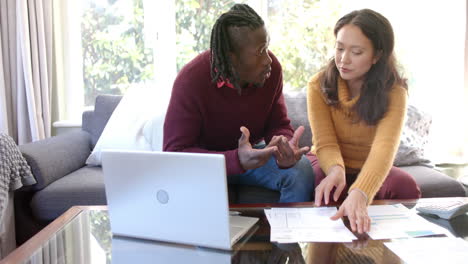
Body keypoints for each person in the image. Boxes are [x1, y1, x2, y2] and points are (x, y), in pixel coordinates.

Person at [163, 4, 315, 203]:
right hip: (205, 163)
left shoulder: (271, 70)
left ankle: (288, 234)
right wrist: (235, 160)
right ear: (231, 58)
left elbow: (277, 123)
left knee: (301, 170)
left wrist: (283, 146)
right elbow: (175, 154)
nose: (268, 60)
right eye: (260, 51)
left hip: (252, 156)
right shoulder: (191, 80)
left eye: (266, 48)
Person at [307, 9, 421, 233]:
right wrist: (335, 170)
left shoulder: (394, 91)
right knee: (326, 185)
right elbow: (325, 143)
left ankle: (380, 248)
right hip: (330, 163)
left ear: (377, 55)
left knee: (405, 186)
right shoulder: (317, 84)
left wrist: (361, 192)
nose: (343, 59)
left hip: (368, 164)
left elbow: (384, 149)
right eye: (339, 48)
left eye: (356, 52)